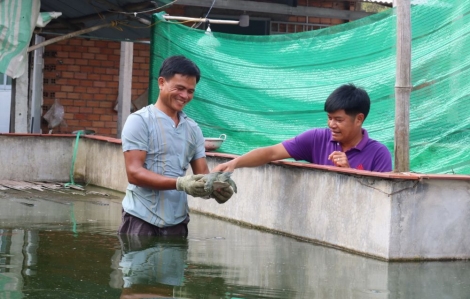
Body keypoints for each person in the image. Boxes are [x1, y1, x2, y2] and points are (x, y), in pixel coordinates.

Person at [118, 55, 234, 236]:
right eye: (180, 88)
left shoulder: (193, 129)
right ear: (162, 83)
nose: (185, 96)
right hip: (140, 219)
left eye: (190, 91)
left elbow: (202, 175)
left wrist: (216, 189)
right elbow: (134, 173)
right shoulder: (139, 121)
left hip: (178, 223)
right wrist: (180, 183)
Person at [213, 84, 392, 173]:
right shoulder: (315, 138)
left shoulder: (379, 154)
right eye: (329, 118)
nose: (331, 124)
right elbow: (270, 153)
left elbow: (381, 203)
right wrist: (234, 163)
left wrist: (349, 171)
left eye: (338, 120)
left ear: (359, 119)